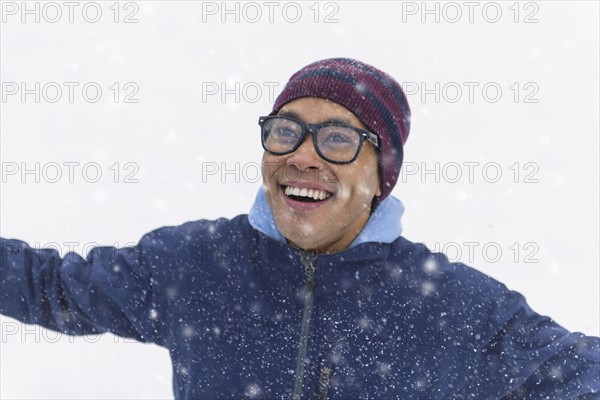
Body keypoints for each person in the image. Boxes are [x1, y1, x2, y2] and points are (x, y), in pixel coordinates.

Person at [1, 58, 598, 399]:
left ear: (380, 174)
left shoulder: (453, 306)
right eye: (287, 131)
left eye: (338, 138)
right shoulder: (197, 265)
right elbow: (50, 286)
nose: (303, 155)